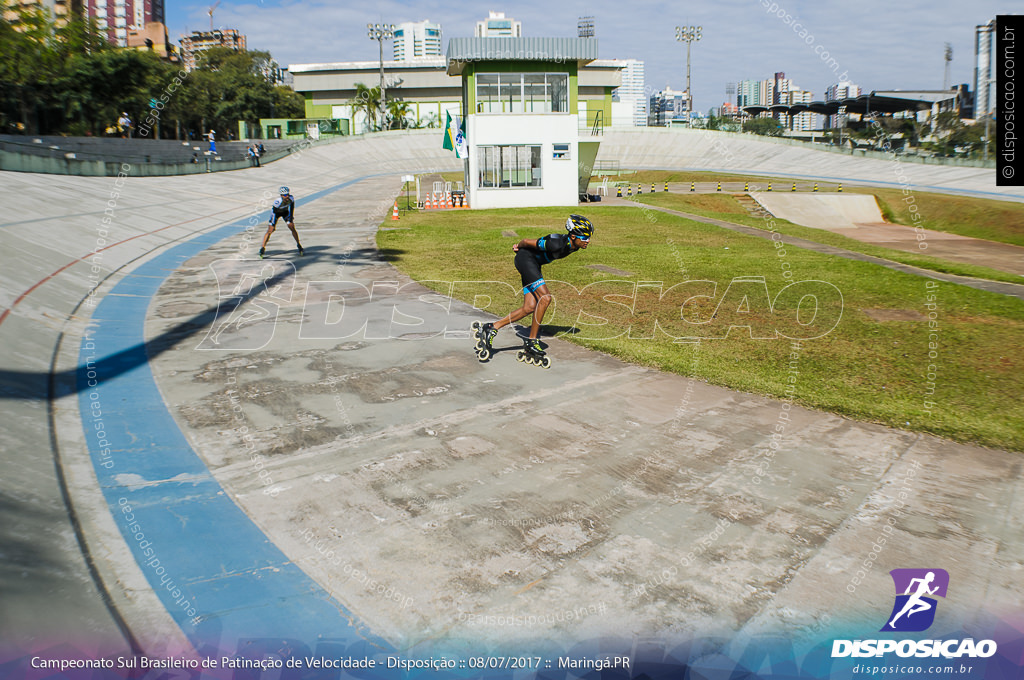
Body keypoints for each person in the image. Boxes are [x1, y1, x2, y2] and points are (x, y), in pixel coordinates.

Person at [475, 214, 593, 362]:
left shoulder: (575, 246)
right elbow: (526, 241)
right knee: (545, 298)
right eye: (585, 237)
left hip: (533, 265)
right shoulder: (555, 243)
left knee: (529, 307)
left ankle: (492, 327)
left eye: (589, 237)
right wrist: (518, 247)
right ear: (574, 236)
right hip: (525, 260)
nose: (587, 241)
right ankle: (532, 341)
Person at [260, 186, 304, 258]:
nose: (287, 196)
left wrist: (290, 217)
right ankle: (262, 248)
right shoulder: (278, 202)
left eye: (288, 194)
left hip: (285, 212)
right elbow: (274, 212)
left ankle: (299, 244)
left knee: (292, 227)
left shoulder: (291, 198)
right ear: (281, 195)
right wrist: (273, 224)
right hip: (276, 213)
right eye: (285, 195)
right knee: (270, 230)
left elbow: (292, 207)